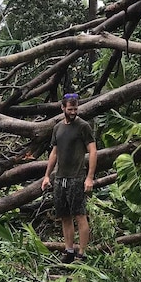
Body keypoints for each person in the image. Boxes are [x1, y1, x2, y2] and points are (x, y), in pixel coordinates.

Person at [41, 93, 97, 263]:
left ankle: (82, 253)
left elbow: (93, 151)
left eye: (75, 109)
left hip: (76, 177)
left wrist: (89, 178)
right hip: (60, 178)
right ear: (63, 108)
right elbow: (54, 152)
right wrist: (46, 176)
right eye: (70, 109)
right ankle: (69, 251)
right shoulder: (58, 128)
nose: (73, 112)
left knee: (79, 215)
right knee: (64, 215)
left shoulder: (83, 126)